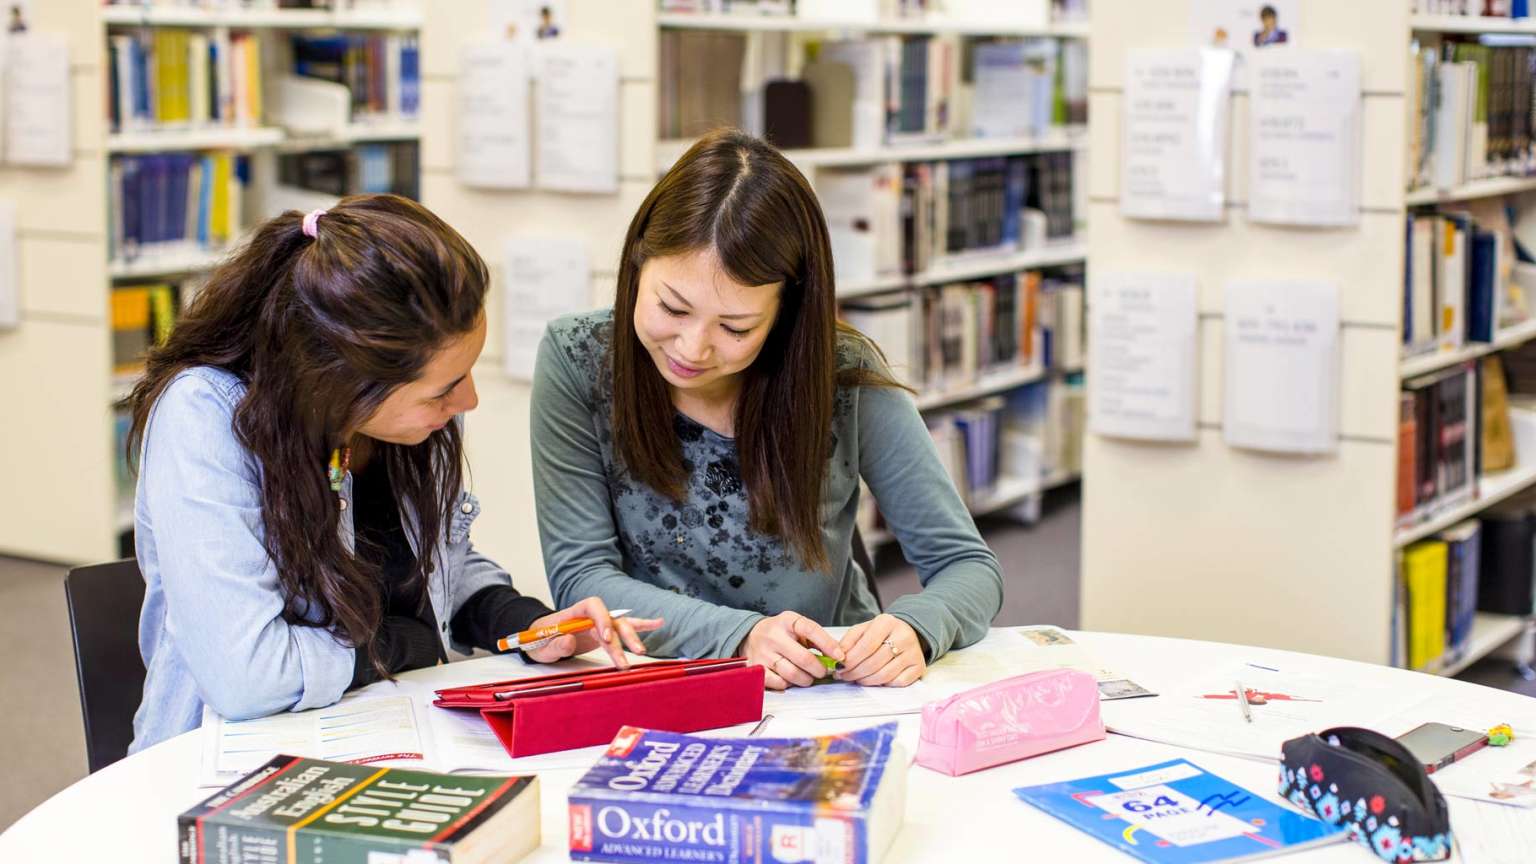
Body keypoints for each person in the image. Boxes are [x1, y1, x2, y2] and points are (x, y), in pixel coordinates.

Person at [124, 194, 660, 752]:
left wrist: (527, 625)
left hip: (383, 725)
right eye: (446, 387)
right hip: (223, 762)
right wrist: (399, 646)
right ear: (344, 380)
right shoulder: (205, 416)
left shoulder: (396, 426)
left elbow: (438, 571)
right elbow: (247, 677)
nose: (469, 400)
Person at [531, 129, 1003, 692]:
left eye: (735, 327)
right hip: (659, 686)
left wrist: (916, 627)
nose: (692, 347)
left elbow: (968, 567)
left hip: (828, 691)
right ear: (637, 264)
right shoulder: (579, 359)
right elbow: (582, 579)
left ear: (786, 312)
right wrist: (742, 637)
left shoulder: (842, 375)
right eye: (671, 307)